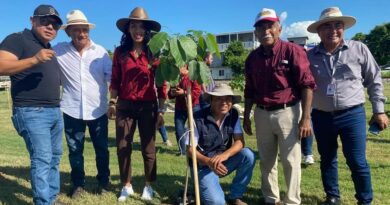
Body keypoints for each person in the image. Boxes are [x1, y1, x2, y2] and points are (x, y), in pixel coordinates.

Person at [306, 7, 389, 205]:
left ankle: (365, 200)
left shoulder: (358, 48)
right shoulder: (310, 56)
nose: (332, 30)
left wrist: (379, 110)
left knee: (357, 161)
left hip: (352, 115)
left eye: (337, 25)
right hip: (321, 115)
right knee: (327, 160)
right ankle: (332, 197)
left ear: (343, 28)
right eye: (326, 26)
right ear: (319, 31)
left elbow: (374, 79)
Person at [243, 8, 316, 205]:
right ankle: (271, 198)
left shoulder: (293, 51)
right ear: (256, 33)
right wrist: (246, 116)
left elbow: (307, 84)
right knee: (266, 161)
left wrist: (306, 118)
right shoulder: (252, 58)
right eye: (261, 27)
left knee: (291, 161)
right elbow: (249, 89)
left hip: (288, 112)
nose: (266, 30)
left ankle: (292, 200)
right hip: (261, 113)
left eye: (270, 26)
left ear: (279, 29)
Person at [0, 5, 65, 205]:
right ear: (32, 20)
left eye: (55, 24)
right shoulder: (17, 39)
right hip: (31, 111)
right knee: (43, 159)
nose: (50, 26)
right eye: (45, 21)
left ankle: (51, 198)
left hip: (54, 111)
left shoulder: (47, 47)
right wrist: (35, 59)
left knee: (54, 158)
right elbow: (1, 66)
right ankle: (43, 202)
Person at [107, 7, 167, 201]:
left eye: (141, 26)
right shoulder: (120, 53)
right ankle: (127, 185)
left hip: (148, 106)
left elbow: (161, 83)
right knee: (123, 146)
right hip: (125, 106)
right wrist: (112, 103)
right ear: (128, 29)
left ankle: (149, 185)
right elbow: (115, 80)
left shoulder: (154, 53)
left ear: (147, 30)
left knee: (148, 149)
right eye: (134, 26)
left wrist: (162, 110)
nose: (138, 30)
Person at [53, 10, 112, 198]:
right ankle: (78, 184)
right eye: (76, 30)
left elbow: (112, 78)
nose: (82, 34)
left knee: (102, 149)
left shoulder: (101, 52)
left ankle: (104, 182)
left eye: (85, 29)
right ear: (68, 32)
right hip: (71, 110)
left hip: (98, 110)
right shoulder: (58, 51)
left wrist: (113, 102)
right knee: (75, 150)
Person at [186, 83, 255, 205]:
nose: (224, 102)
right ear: (211, 100)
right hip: (203, 166)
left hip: (223, 161)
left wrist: (225, 156)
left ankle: (235, 196)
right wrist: (209, 162)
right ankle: (202, 189)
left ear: (232, 102)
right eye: (219, 99)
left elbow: (239, 142)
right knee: (217, 202)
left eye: (228, 99)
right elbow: (190, 150)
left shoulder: (233, 114)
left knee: (248, 155)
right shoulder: (197, 118)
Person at [168, 65, 201, 155]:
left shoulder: (193, 76)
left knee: (196, 128)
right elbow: (170, 95)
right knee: (179, 129)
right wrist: (172, 93)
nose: (177, 68)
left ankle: (198, 149)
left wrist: (185, 92)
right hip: (180, 107)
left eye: (179, 66)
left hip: (193, 106)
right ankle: (183, 152)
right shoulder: (175, 78)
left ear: (185, 67)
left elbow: (197, 92)